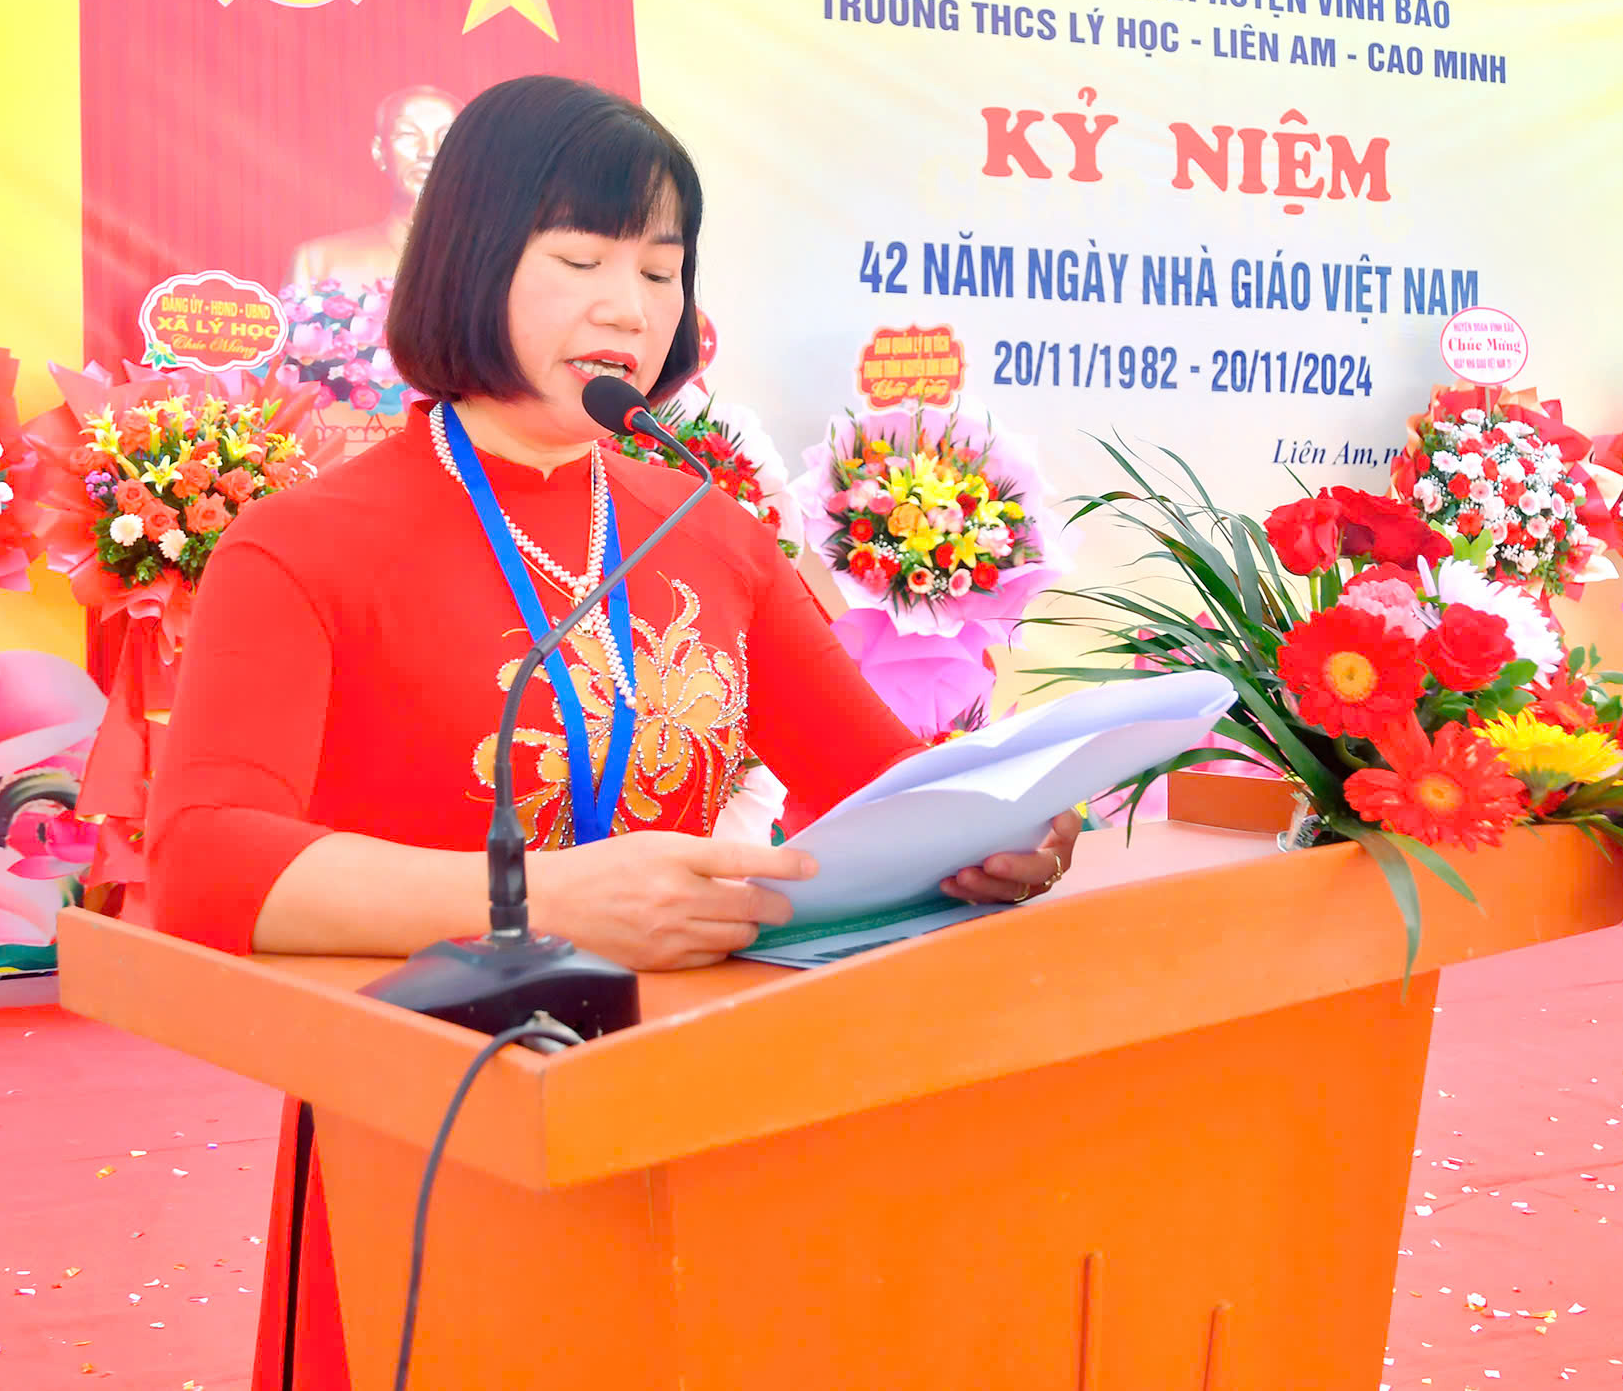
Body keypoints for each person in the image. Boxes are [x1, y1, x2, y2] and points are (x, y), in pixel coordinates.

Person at [146, 75, 1078, 1391]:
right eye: (580, 259)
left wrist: (994, 822)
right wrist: (539, 902)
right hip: (427, 1120)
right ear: (469, 258)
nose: (629, 309)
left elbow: (879, 780)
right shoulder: (300, 546)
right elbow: (202, 861)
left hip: (696, 1090)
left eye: (660, 268)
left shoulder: (707, 532)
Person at [284, 84, 461, 295]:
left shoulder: (491, 262)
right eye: (408, 135)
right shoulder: (318, 262)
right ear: (379, 153)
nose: (428, 152)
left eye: (447, 137)